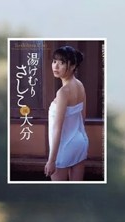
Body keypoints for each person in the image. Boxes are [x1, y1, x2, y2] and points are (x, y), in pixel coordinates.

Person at [45, 46, 89, 181]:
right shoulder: (80, 85)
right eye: (54, 61)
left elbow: (57, 128)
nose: (56, 66)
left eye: (62, 62)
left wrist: (51, 160)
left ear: (73, 66)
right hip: (80, 142)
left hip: (63, 148)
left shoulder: (63, 93)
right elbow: (83, 117)